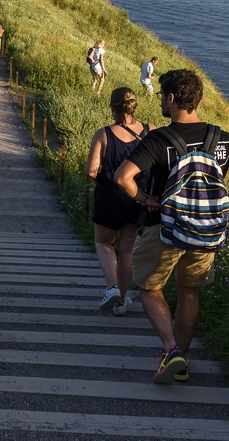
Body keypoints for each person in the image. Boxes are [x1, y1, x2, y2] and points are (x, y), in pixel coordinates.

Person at [113, 69, 229, 384]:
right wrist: (225, 204)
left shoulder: (158, 140)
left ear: (170, 98)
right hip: (205, 230)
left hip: (163, 229)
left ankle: (171, 351)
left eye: (161, 97)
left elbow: (122, 177)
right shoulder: (221, 138)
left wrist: (145, 198)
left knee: (150, 287)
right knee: (189, 292)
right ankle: (182, 358)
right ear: (198, 99)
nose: (160, 102)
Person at [85, 87, 151, 315]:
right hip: (137, 199)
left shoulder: (103, 134)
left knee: (104, 243)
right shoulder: (150, 131)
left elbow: (91, 171)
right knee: (127, 249)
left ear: (113, 108)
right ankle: (122, 301)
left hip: (109, 197)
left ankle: (112, 288)